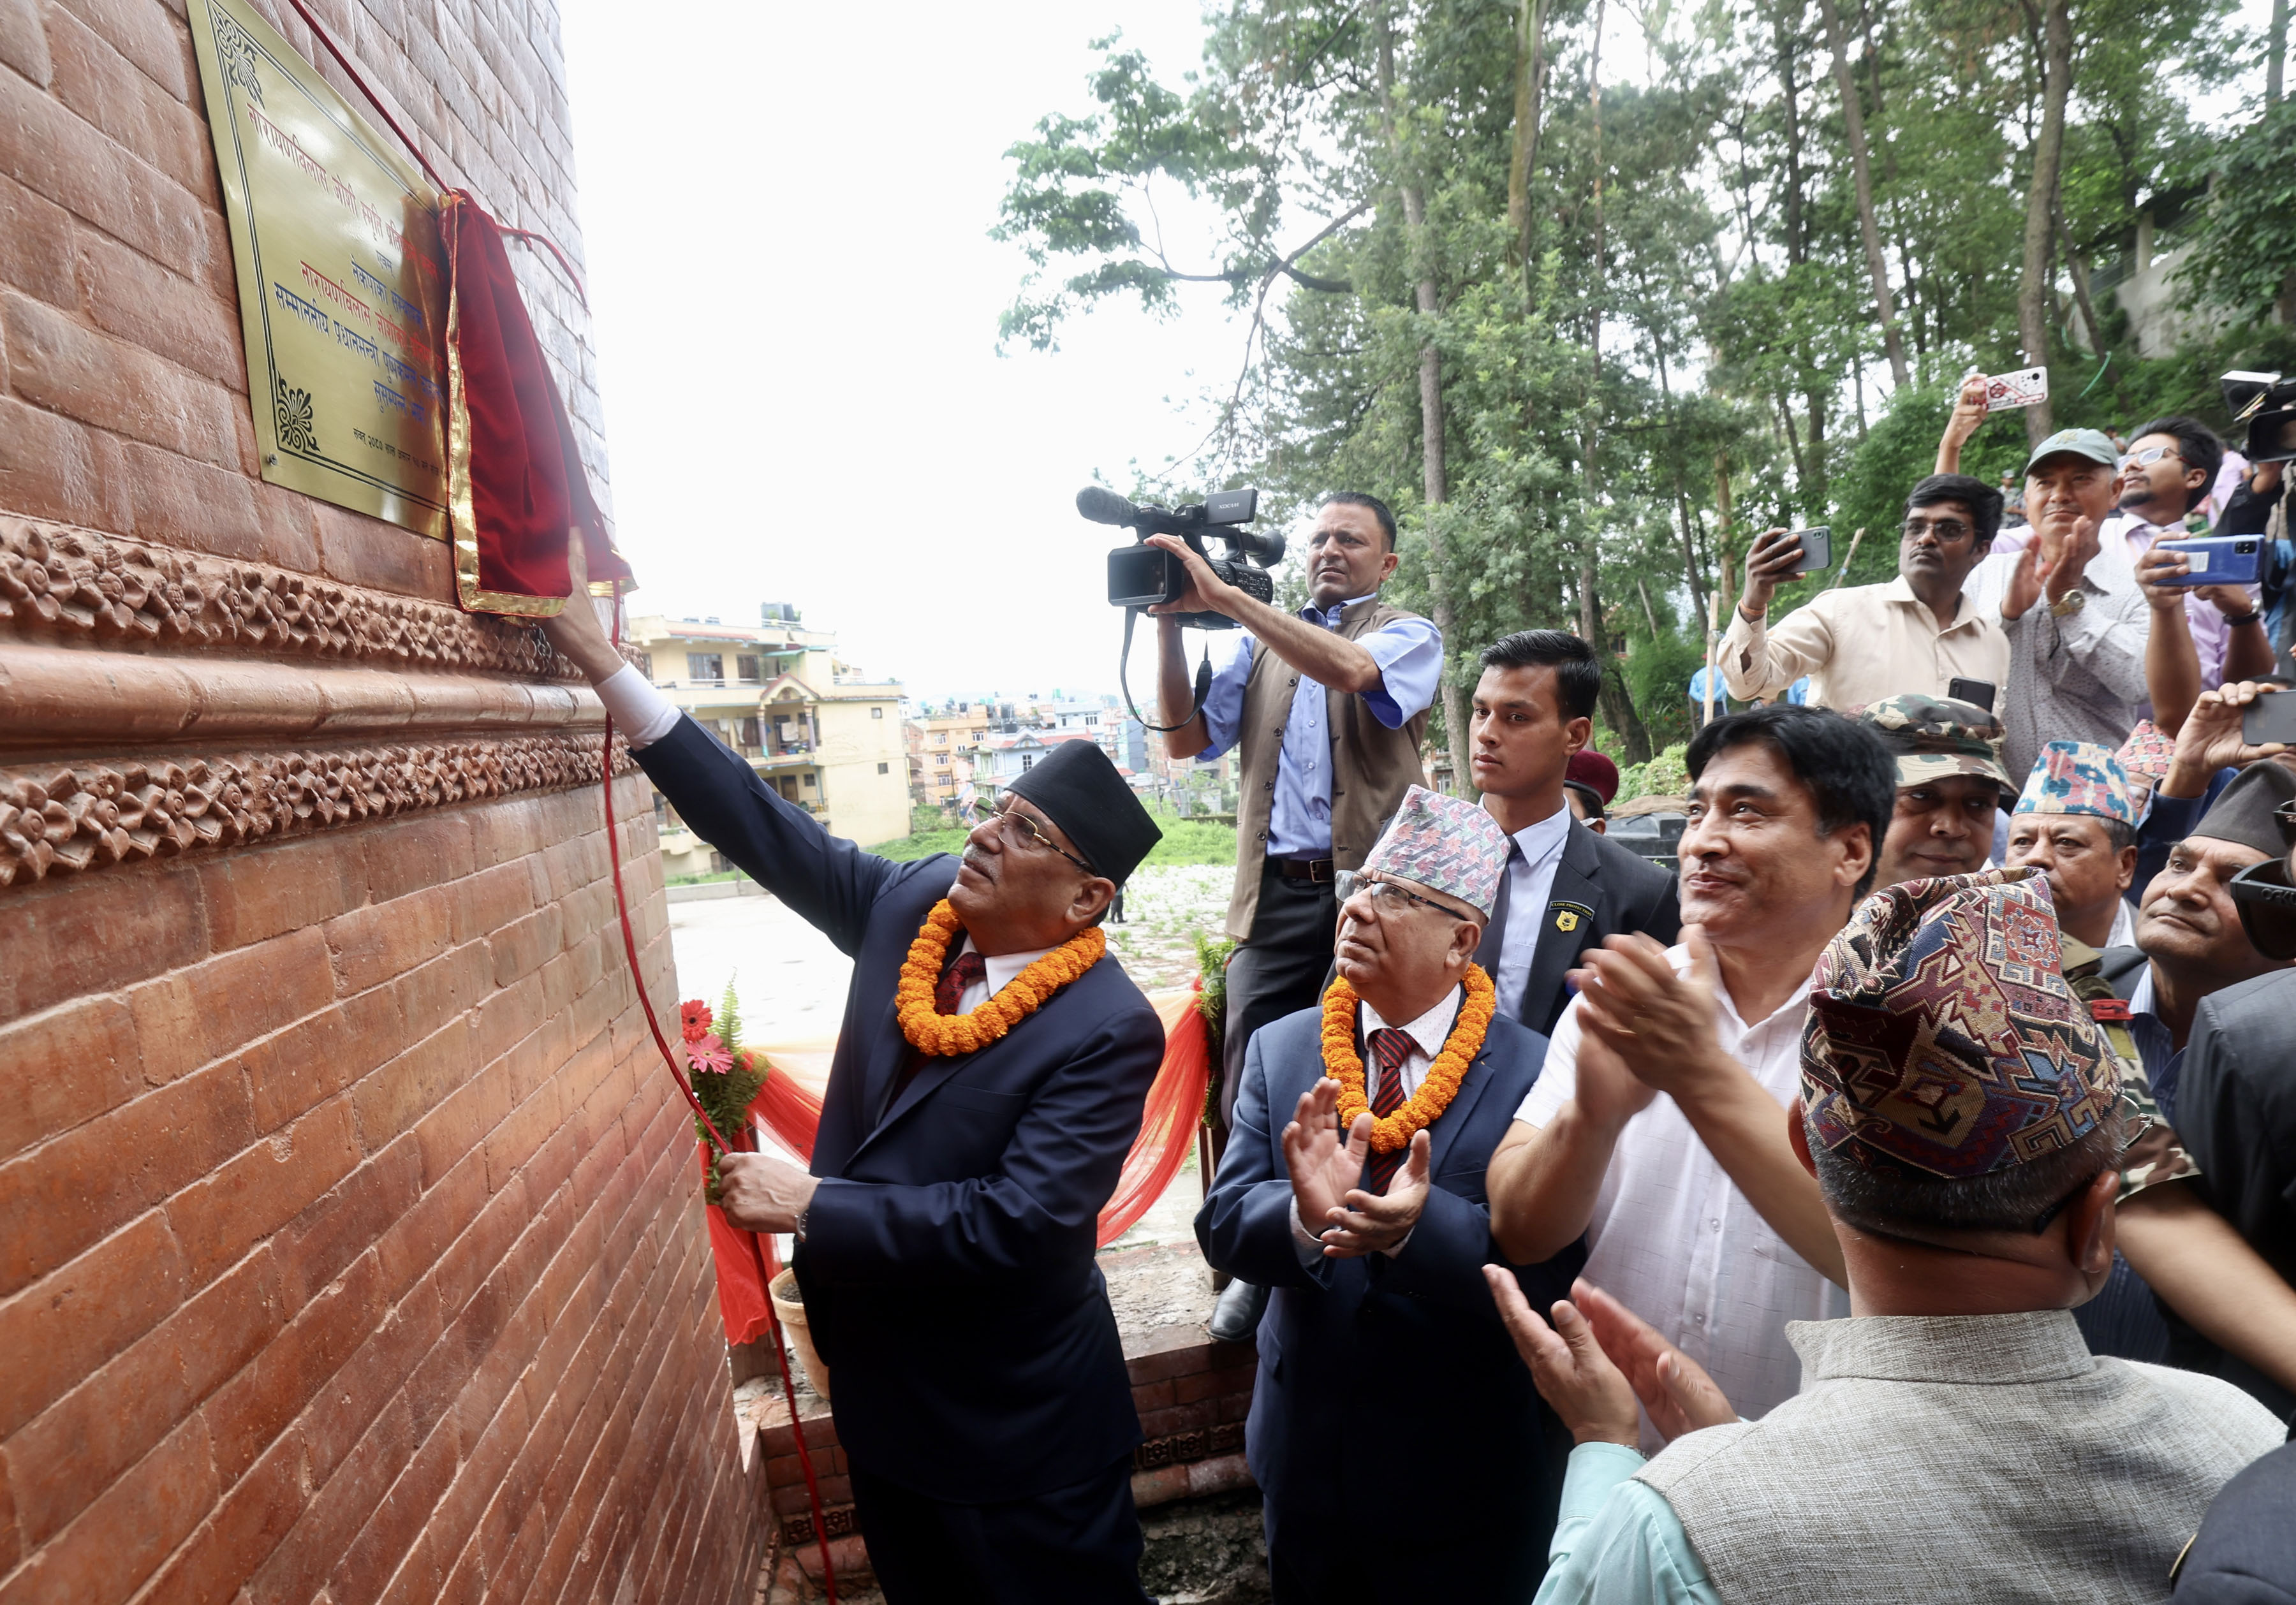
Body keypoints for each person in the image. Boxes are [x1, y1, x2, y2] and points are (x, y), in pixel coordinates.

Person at [541, 582, 1168, 1604]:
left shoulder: (1107, 1027)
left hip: (1015, 1433)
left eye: (1026, 832)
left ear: (1087, 898)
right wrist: (611, 674)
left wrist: (814, 1204)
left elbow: (1018, 1223)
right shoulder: (914, 902)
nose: (984, 836)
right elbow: (764, 827)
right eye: (994, 813)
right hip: (882, 1402)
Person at [1492, 868, 2284, 1605]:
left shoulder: (1678, 1524)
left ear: (1805, 1147)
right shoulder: (2240, 1441)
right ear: (2097, 1224)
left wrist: (1605, 1445)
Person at [1195, 787, 1584, 1601]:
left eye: (1397, 895)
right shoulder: (1283, 1046)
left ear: (1463, 941)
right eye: (1359, 887)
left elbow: (1554, 1277)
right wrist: (1304, 1218)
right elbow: (1226, 1224)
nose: (1359, 911)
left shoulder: (1532, 1069)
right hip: (1306, 1459)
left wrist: (1417, 1230)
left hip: (1460, 1475)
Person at [1487, 705, 1899, 1439]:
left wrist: (1693, 1068)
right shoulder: (1618, 999)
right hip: (1615, 1453)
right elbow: (1519, 1231)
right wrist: (1593, 1120)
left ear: (1850, 851)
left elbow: (1898, 1271)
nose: (1703, 841)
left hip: (1818, 1471)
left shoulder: (1905, 1034)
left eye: (1747, 813)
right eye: (1698, 810)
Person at [1149, 493, 1439, 1337]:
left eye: (1351, 538)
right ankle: (1260, 1264)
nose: (1329, 549)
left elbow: (1352, 671)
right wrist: (1171, 619)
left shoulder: (1407, 632)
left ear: (1386, 561)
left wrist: (1228, 597)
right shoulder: (1254, 644)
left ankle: (1370, 1245)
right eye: (1317, 537)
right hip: (1274, 892)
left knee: (1367, 1064)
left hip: (1376, 893)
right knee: (1253, 1071)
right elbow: (1181, 738)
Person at [1467, 631, 1680, 1037]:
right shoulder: (1414, 845)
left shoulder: (1641, 894)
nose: (1487, 733)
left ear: (1575, 736)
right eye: (1481, 711)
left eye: (1517, 717)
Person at [1718, 474, 2008, 711]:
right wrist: (1753, 603)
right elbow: (1748, 685)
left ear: (1981, 549)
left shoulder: (1994, 643)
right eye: (1915, 527)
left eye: (1949, 529)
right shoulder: (1840, 612)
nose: (1926, 538)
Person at [1968, 429, 2152, 778]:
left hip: (2090, 802)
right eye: (2045, 483)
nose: (2060, 495)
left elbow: (2141, 684)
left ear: (2115, 492)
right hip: (1991, 796)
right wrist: (2006, 614)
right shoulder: (1985, 574)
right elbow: (1947, 664)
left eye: (2080, 480)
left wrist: (2070, 605)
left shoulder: (2133, 588)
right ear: (2026, 497)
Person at [1857, 694, 2015, 891]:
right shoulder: (1812, 915)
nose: (1951, 827)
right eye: (1922, 796)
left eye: (1979, 804)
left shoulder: (2016, 918)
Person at [2003, 740, 2140, 950]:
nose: (2036, 858)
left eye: (2066, 843)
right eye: (2023, 842)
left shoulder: (2160, 960)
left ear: (2124, 866)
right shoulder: (1971, 942)